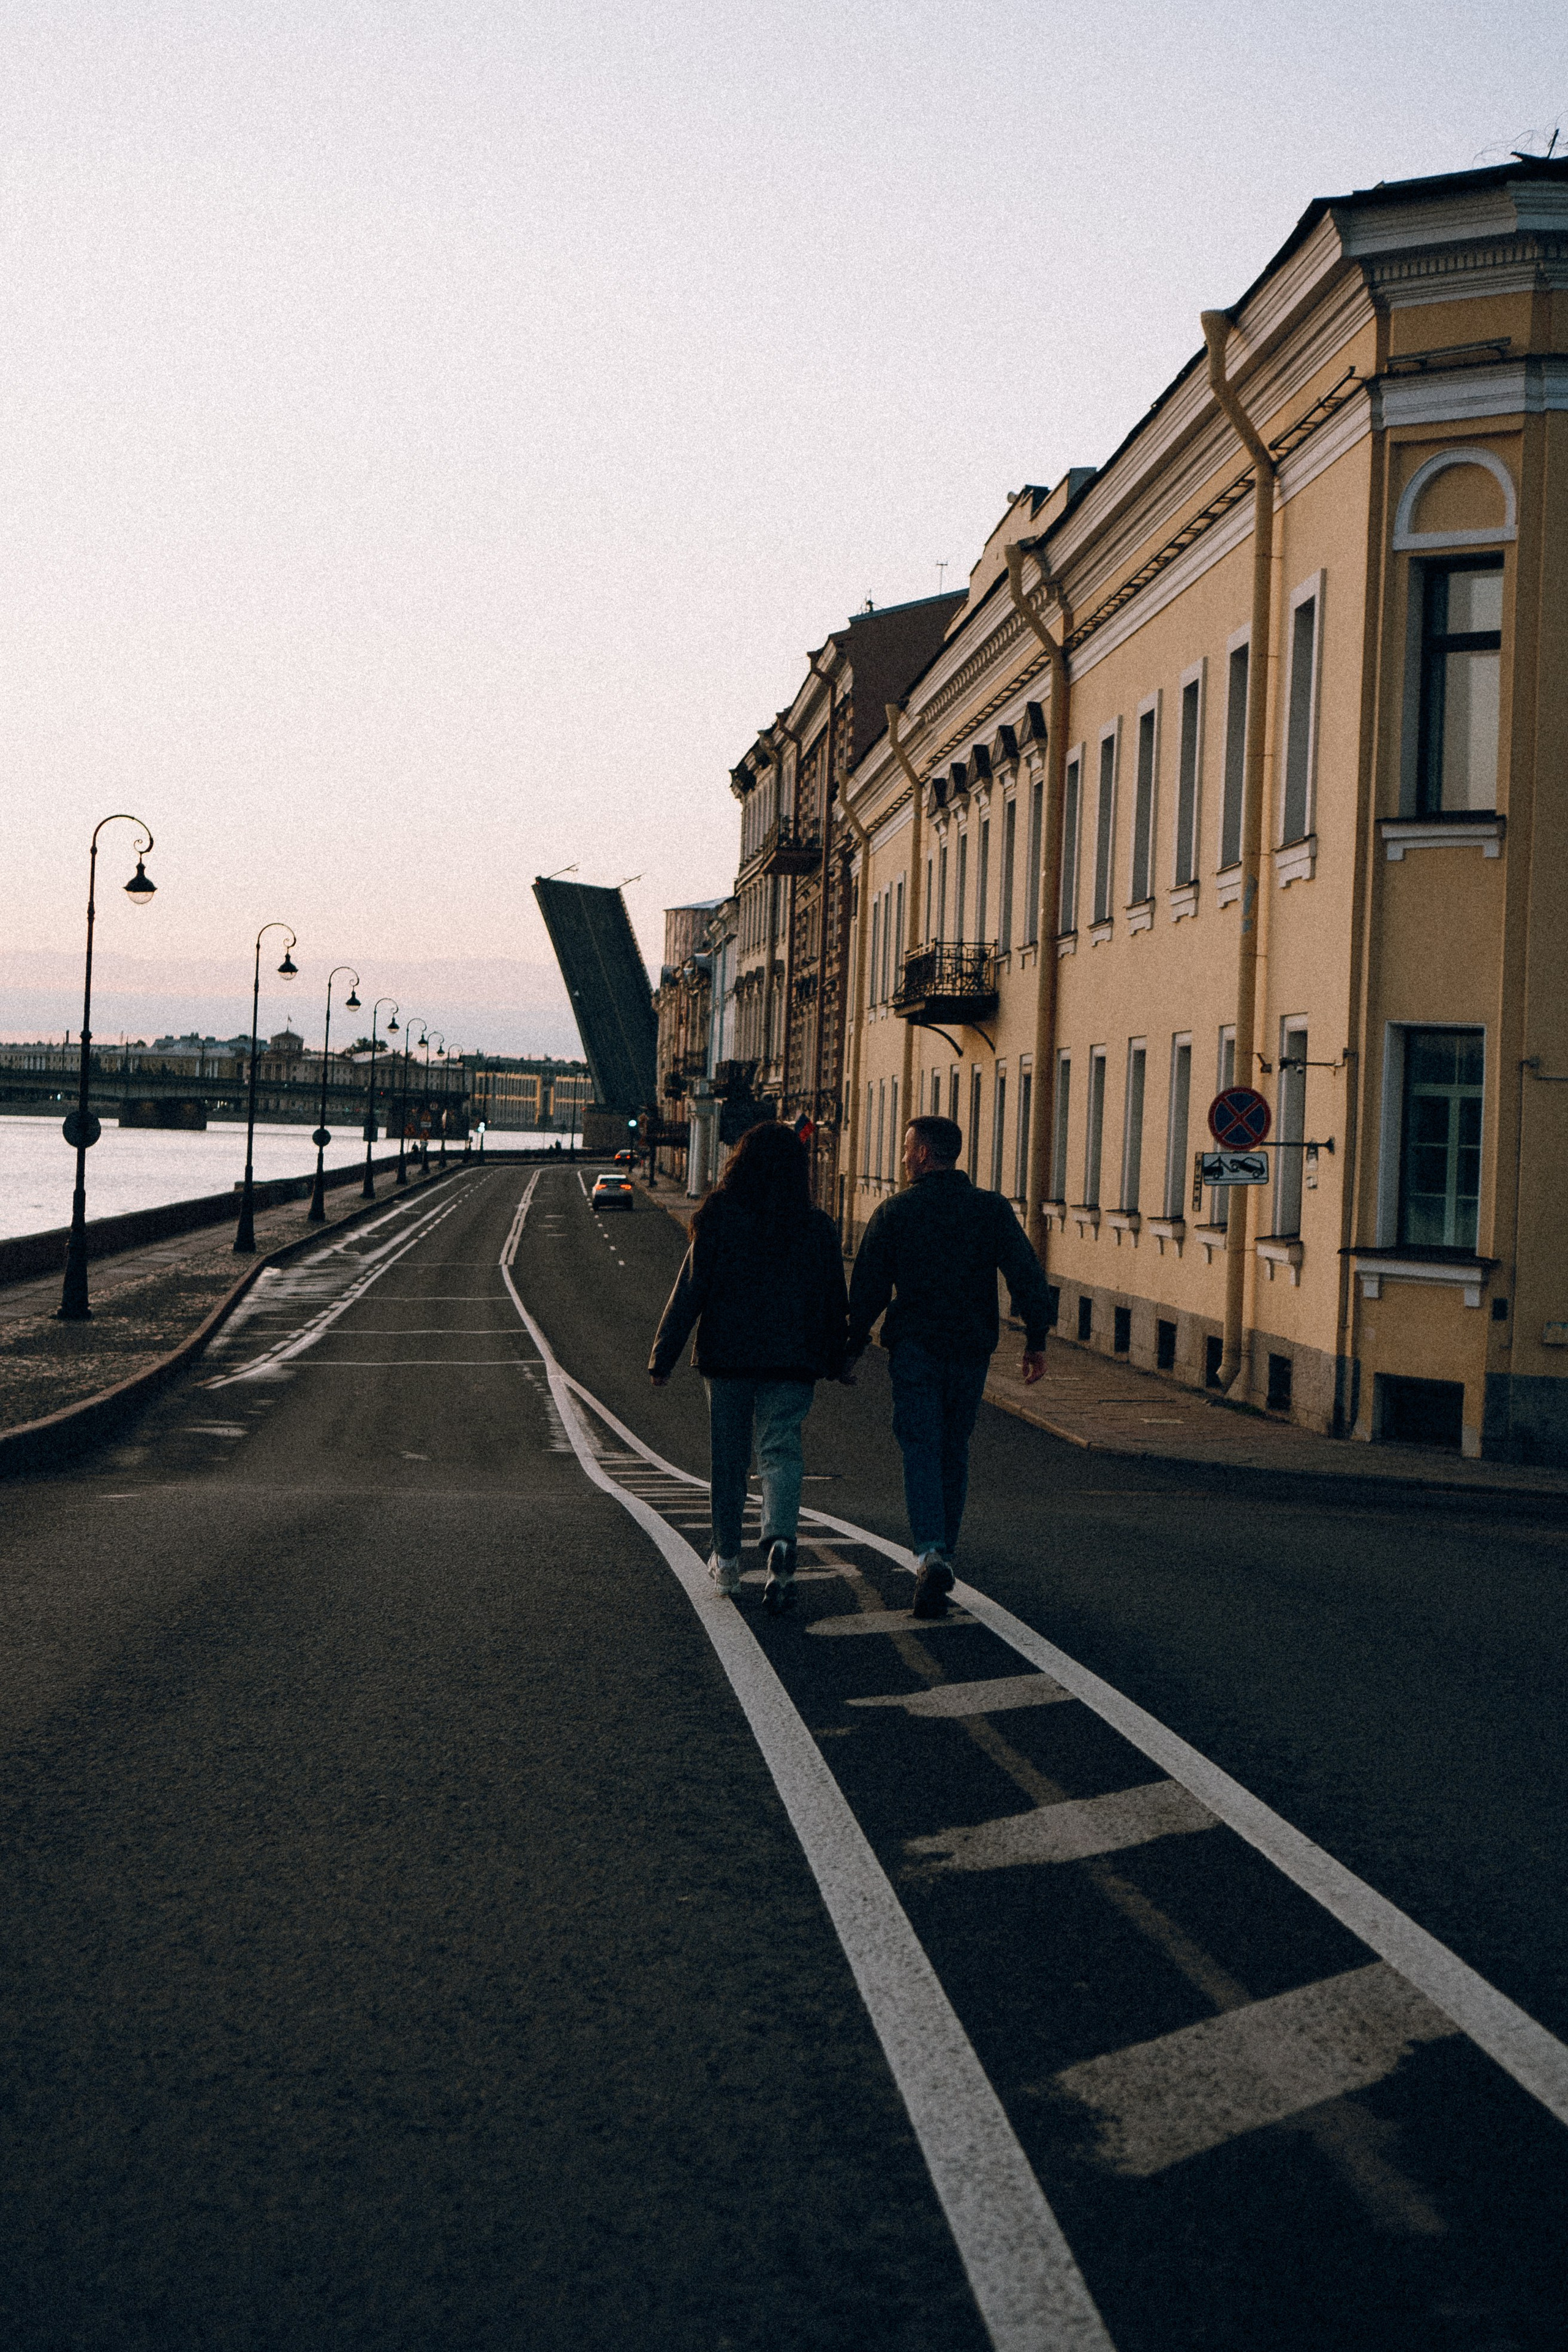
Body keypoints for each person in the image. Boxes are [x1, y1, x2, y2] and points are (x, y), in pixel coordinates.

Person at [846, 1114, 1051, 1618]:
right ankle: (946, 1552)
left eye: (904, 1148)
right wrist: (1037, 1340)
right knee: (953, 1447)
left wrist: (848, 1350)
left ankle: (930, 1551)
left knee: (920, 1445)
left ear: (921, 1155)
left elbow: (868, 1289)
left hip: (916, 1346)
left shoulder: (896, 1212)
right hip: (970, 1347)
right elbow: (1026, 1273)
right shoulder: (990, 1210)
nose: (900, 1157)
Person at [649, 1123, 849, 1611]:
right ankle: (781, 1540)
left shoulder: (718, 1217)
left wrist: (663, 1355)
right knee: (780, 1450)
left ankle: (729, 1563)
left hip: (729, 1356)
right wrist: (840, 1356)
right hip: (793, 1358)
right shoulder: (816, 1225)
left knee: (729, 1461)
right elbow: (832, 1301)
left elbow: (690, 1290)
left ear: (740, 1161)